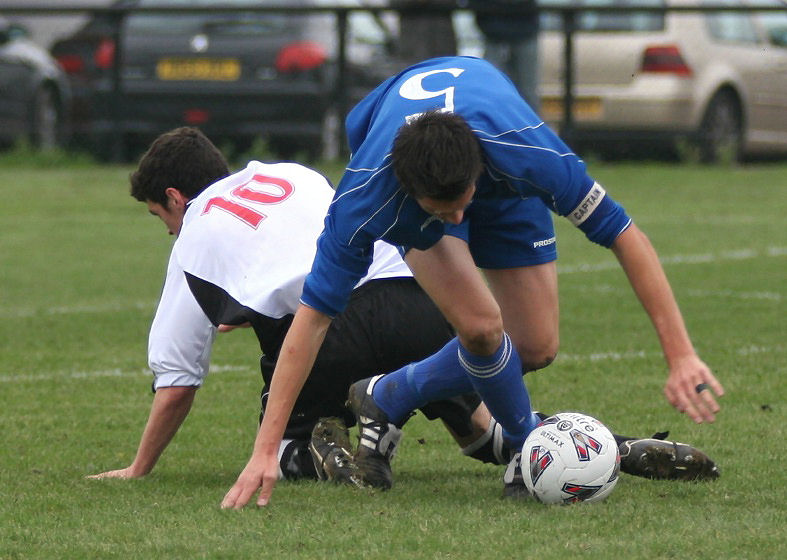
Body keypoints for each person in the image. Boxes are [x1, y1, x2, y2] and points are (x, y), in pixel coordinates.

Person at [220, 56, 724, 509]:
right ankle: (531, 451)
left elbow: (624, 234)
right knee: (482, 329)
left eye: (463, 204)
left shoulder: (526, 152)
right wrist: (267, 449)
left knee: (534, 345)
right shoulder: (364, 202)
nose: (460, 218)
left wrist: (680, 353)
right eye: (447, 213)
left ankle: (389, 395)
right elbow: (310, 324)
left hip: (498, 177)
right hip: (415, 183)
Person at [85, 126, 494, 483]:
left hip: (333, 332)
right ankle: (526, 445)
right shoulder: (289, 172)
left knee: (279, 447)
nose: (170, 232)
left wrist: (139, 466)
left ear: (175, 198)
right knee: (481, 431)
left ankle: (321, 454)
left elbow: (177, 382)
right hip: (417, 300)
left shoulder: (193, 238)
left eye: (162, 218)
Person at [467, 0, 541, 110]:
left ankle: (531, 125)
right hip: (494, 31)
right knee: (492, 87)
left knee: (527, 91)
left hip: (523, 29)